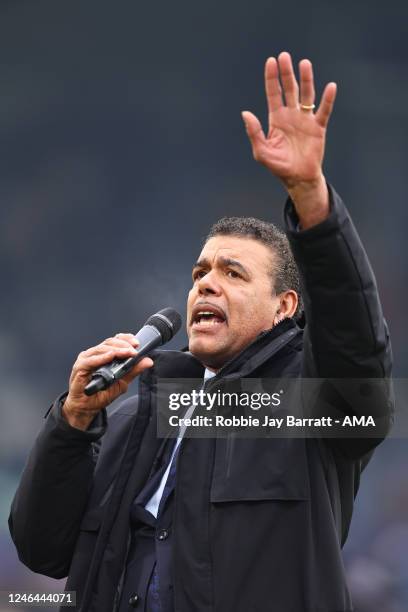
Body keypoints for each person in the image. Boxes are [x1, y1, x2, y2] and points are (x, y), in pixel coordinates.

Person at [9, 52, 393, 612]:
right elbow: (40, 548)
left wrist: (311, 197)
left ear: (285, 305)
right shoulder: (134, 418)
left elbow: (357, 348)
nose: (206, 285)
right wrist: (71, 423)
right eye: (199, 273)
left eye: (233, 273)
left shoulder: (310, 405)